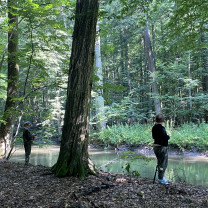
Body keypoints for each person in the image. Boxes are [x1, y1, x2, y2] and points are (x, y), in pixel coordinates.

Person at [152, 114, 170, 184]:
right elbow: (164, 137)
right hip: (161, 148)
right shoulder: (162, 128)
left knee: (160, 162)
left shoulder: (154, 127)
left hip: (155, 147)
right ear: (162, 121)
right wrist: (168, 137)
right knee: (163, 164)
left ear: (156, 120)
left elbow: (154, 137)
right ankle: (160, 178)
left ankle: (161, 177)